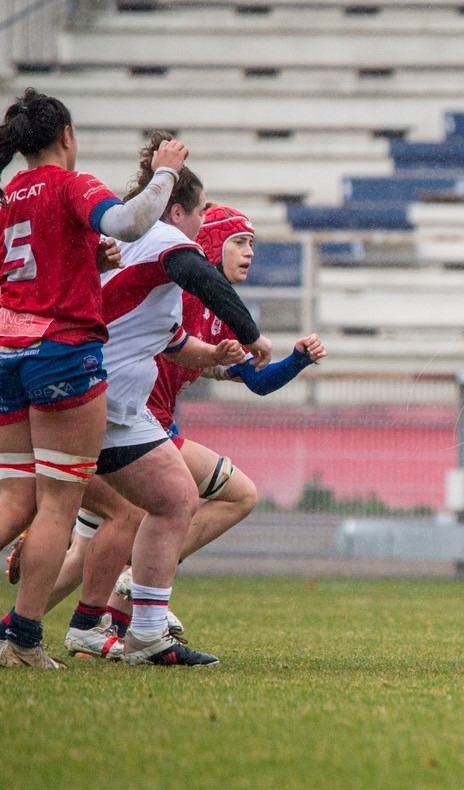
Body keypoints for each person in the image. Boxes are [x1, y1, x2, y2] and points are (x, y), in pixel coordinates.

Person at [61, 204, 324, 658]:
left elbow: (254, 380)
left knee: (96, 539)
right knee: (179, 507)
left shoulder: (213, 311)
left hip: (135, 427)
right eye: (239, 242)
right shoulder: (175, 290)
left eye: (253, 244)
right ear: (208, 244)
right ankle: (128, 604)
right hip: (123, 424)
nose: (250, 253)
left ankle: (72, 625)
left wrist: (297, 359)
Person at [56, 133, 272, 667]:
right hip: (93, 398)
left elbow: (175, 345)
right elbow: (200, 277)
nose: (204, 225)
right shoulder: (164, 241)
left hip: (110, 406)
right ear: (177, 210)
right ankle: (75, 628)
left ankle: (128, 630)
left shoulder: (137, 247)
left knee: (159, 502)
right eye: (200, 213)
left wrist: (216, 358)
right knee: (92, 513)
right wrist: (251, 335)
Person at [0, 89, 187, 668]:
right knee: (61, 501)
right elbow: (130, 222)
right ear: (67, 136)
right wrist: (164, 177)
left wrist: (87, 262)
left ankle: (21, 637)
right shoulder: (69, 185)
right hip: (61, 351)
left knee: (13, 497)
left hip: (7, 349)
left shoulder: (8, 195)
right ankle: (24, 640)